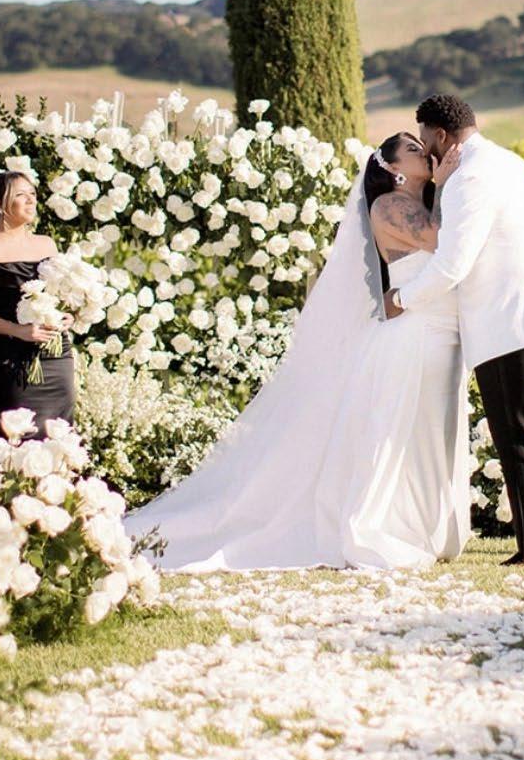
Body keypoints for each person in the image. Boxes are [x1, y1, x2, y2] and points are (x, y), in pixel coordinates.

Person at [124, 133, 469, 570]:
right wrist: (447, 182)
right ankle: (388, 527)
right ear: (395, 169)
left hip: (434, 332)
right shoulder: (390, 206)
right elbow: (440, 239)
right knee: (395, 436)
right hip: (407, 336)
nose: (424, 153)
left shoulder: (419, 202)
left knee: (422, 436)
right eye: (413, 150)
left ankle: (422, 526)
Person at [385, 94, 524, 566]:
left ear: (441, 135)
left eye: (425, 138)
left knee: (519, 433)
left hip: (512, 319)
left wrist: (402, 298)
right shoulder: (509, 161)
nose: (424, 148)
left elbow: (452, 264)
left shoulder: (468, 178)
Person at [0, 171, 75, 439]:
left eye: (32, 194)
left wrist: (67, 315)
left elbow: (58, 296)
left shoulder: (47, 244)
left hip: (56, 357)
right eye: (21, 195)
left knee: (59, 438)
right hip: (10, 359)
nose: (31, 200)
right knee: (16, 439)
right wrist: (18, 331)